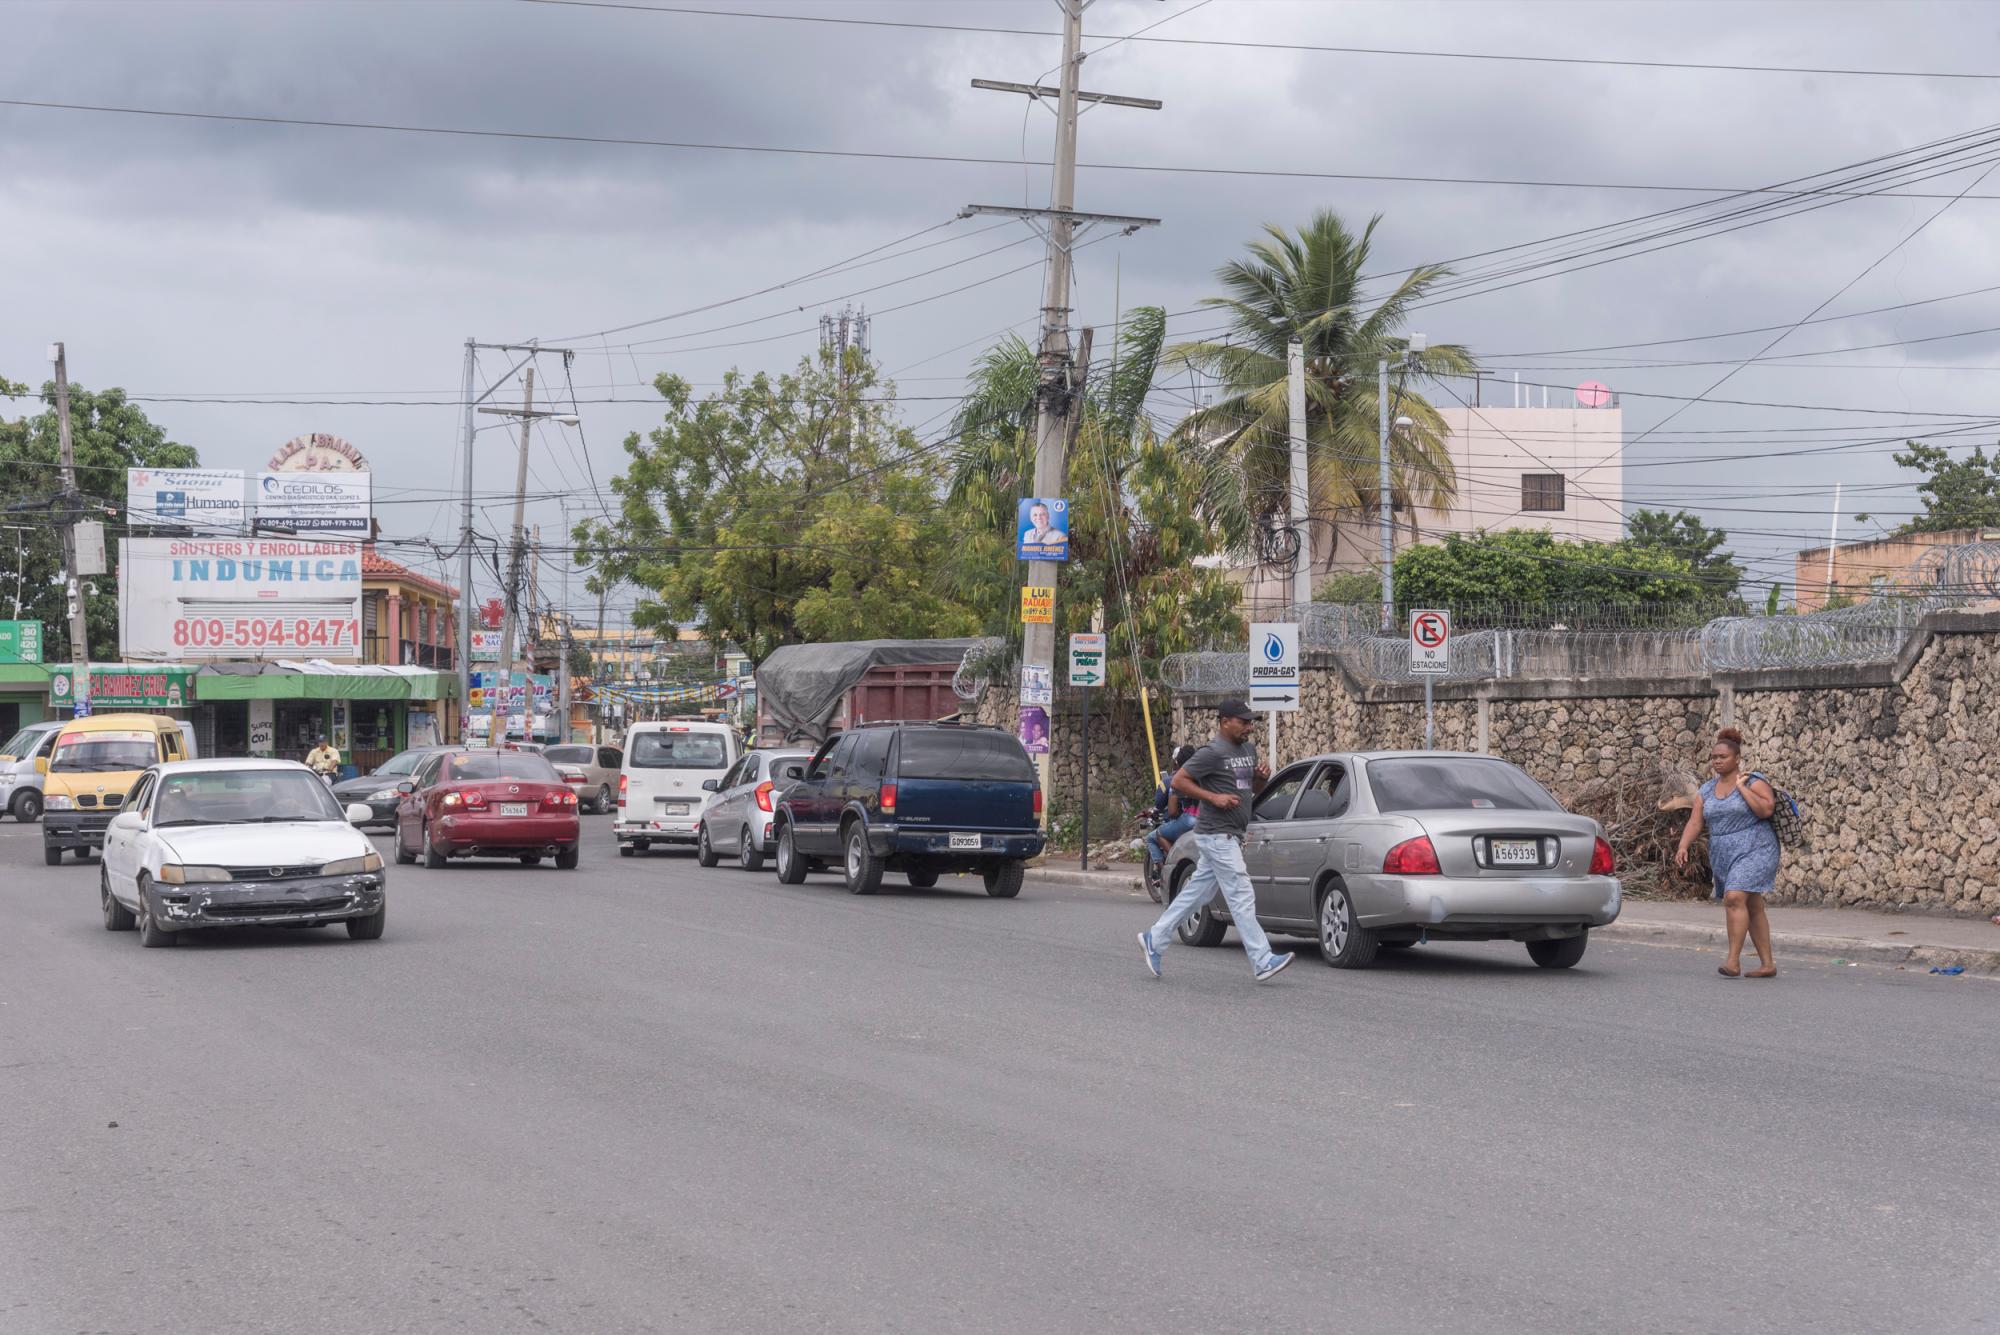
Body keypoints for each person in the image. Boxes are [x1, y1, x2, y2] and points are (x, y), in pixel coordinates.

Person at [1137, 701, 1294, 982]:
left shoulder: (1247, 750)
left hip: (1232, 833)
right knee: (1241, 893)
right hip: (1215, 834)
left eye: (1251, 721)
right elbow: (1179, 782)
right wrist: (1213, 798)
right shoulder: (1212, 753)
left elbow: (1249, 792)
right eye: (1243, 721)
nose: (1250, 726)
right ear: (1225, 722)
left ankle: (1155, 938)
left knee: (1197, 894)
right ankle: (1262, 959)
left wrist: (1260, 779)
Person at [1675, 726, 1780, 979]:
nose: (1717, 761)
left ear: (1737, 758)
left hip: (1756, 848)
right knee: (1752, 904)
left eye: (1722, 757)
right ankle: (1767, 964)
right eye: (1714, 757)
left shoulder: (1754, 781)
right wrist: (1683, 845)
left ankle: (1733, 961)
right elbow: (1695, 822)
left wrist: (1742, 788)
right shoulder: (1707, 790)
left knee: (1733, 898)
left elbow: (1766, 810)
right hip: (1724, 853)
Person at [1144, 745, 1199, 888]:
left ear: (1177, 763)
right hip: (1206, 819)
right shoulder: (1203, 774)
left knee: (1155, 835)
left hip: (1189, 819)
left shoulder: (1175, 780)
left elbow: (1172, 811)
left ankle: (1173, 866)